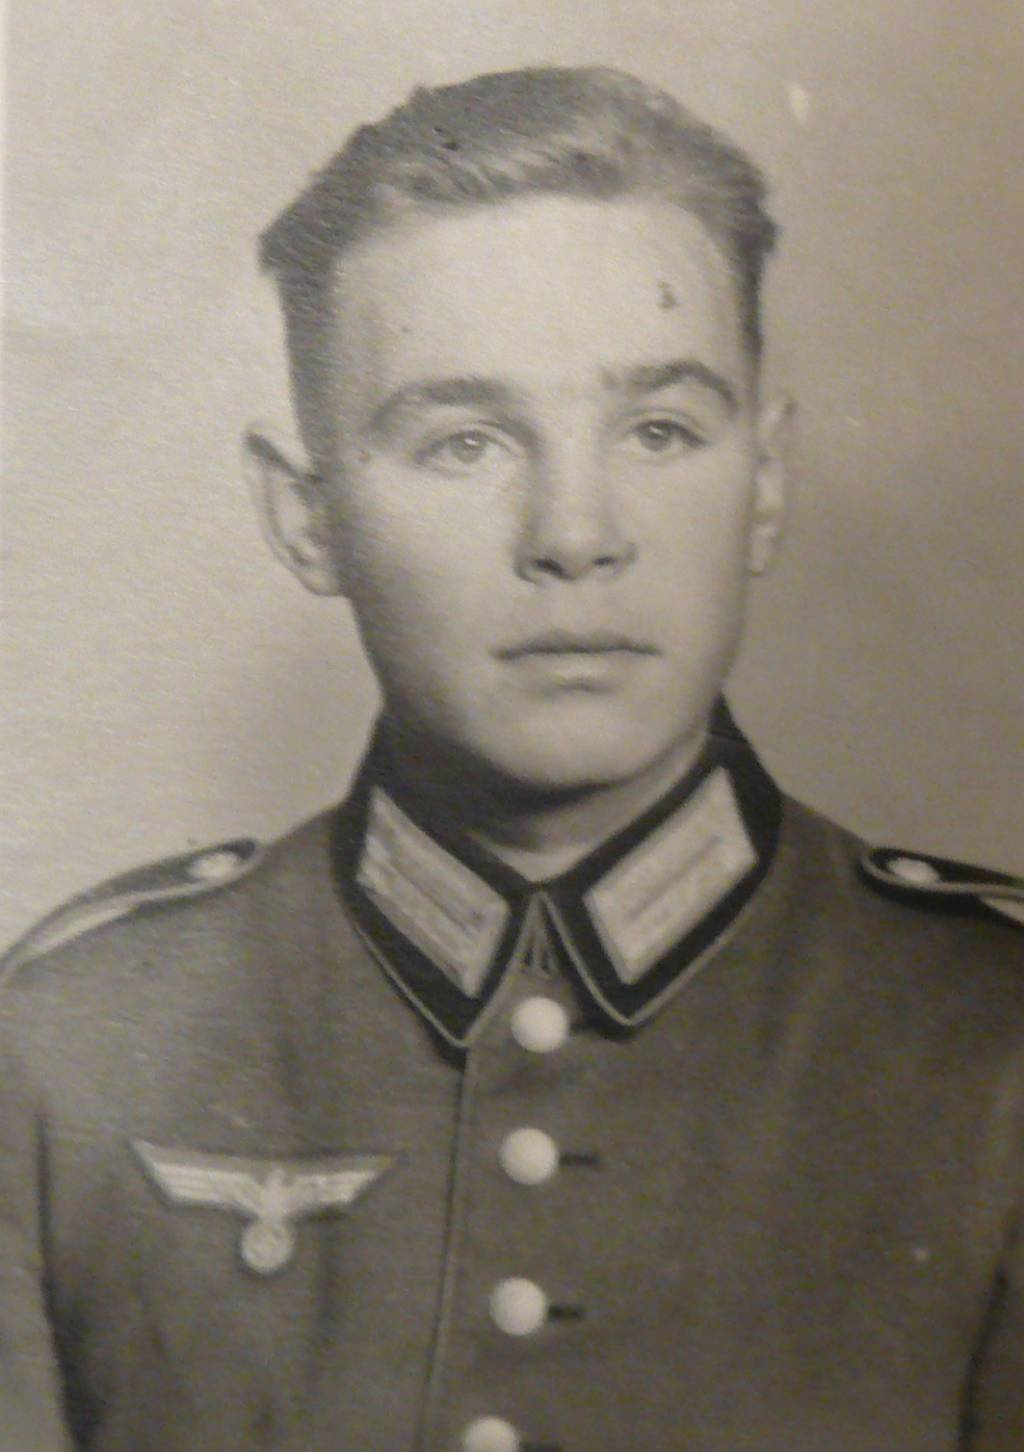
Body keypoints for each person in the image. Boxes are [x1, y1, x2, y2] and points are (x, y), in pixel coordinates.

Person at [1, 65, 1022, 1452]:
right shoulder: (70, 1049)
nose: (575, 534)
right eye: (466, 441)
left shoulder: (990, 1042)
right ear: (305, 517)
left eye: (659, 430)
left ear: (766, 482)